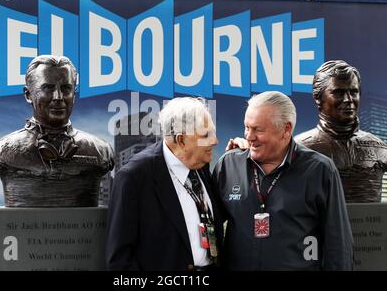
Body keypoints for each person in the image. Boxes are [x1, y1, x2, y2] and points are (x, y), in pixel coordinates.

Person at [213, 91, 353, 270]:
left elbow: (338, 244)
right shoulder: (228, 164)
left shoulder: (320, 170)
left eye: (258, 129)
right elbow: (206, 224)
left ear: (286, 129)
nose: (249, 136)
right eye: (247, 127)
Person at [105, 97, 223, 271]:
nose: (214, 141)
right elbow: (119, 259)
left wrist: (242, 157)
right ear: (181, 140)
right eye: (206, 135)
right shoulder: (134, 177)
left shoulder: (201, 165)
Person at [0, 55, 114, 207]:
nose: (58, 97)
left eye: (66, 89)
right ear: (28, 95)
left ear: (74, 94)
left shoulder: (101, 150)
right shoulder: (2, 151)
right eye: (48, 88)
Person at [295, 60, 387, 203]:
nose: (348, 99)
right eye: (338, 93)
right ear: (318, 98)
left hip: (371, 224)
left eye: (354, 92)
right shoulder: (298, 148)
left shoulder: (379, 147)